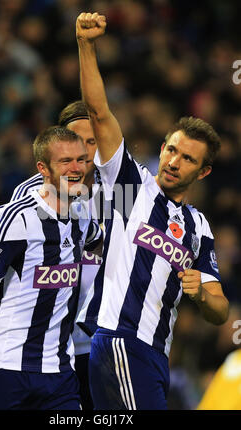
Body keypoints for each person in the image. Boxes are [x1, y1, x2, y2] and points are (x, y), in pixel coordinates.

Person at [75, 12, 229, 410]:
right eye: (171, 149)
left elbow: (219, 307)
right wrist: (86, 46)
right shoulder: (132, 189)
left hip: (157, 354)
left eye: (188, 159)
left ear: (204, 171)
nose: (175, 161)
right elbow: (99, 113)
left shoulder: (198, 227)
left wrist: (201, 296)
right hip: (121, 340)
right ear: (162, 148)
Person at [0, 125, 102, 410]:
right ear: (43, 169)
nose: (76, 169)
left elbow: (106, 245)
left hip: (60, 373)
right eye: (65, 161)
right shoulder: (15, 217)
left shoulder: (83, 219)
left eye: (81, 160)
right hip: (5, 366)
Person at [10, 100, 102, 410]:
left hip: (99, 346)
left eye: (91, 142)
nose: (84, 153)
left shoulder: (118, 191)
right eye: (76, 142)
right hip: (46, 348)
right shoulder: (30, 195)